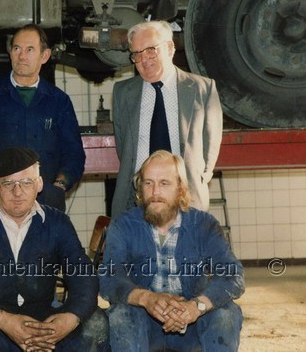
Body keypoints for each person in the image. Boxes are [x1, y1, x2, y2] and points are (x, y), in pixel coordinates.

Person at [0, 147, 108, 351]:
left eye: (26, 182)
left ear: (39, 184)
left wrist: (69, 318)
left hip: (45, 324)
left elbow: (82, 274)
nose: (18, 192)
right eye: (8, 183)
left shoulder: (57, 222)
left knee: (96, 323)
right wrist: (4, 320)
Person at [99, 150, 244, 351]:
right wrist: (146, 298)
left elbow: (232, 276)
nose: (155, 192)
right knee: (121, 314)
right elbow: (109, 278)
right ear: (140, 189)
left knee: (226, 314)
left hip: (193, 321)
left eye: (164, 183)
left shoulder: (204, 225)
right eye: (148, 183)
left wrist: (196, 306)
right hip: (144, 323)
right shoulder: (123, 226)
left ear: (180, 189)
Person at [0, 24, 86, 213]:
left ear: (45, 56)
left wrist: (59, 185)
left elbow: (74, 154)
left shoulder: (58, 101)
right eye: (17, 49)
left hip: (45, 203)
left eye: (30, 50)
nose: (21, 56)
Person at [111, 20, 223, 218]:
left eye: (151, 50)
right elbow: (123, 147)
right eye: (136, 54)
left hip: (186, 198)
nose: (144, 59)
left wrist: (198, 178)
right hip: (137, 202)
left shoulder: (202, 89)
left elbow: (211, 144)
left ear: (170, 48)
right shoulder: (122, 93)